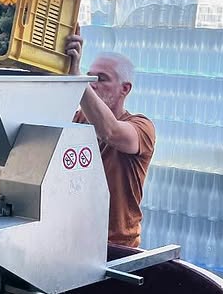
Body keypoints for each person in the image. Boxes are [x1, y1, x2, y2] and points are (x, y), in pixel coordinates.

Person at [65, 29, 155, 248]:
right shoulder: (77, 119)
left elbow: (110, 131)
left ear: (125, 89)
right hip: (74, 238)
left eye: (101, 79)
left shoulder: (142, 127)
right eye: (90, 77)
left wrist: (77, 78)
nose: (92, 83)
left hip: (116, 245)